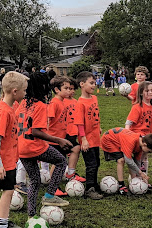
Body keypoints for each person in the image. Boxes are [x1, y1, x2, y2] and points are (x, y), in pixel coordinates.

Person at [16, 72, 71, 219]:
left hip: (21, 148)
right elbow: (35, 131)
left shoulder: (23, 103)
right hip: (34, 147)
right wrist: (58, 140)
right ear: (43, 86)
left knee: (34, 180)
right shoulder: (40, 106)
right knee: (61, 161)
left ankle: (31, 215)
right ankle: (49, 194)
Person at [0, 71, 28, 228]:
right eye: (24, 91)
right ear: (14, 91)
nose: (25, 93)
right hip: (2, 162)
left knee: (9, 191)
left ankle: (5, 222)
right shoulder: (3, 111)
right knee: (8, 192)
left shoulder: (10, 107)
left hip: (9, 160)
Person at [101, 127, 152, 195]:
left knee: (132, 162)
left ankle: (133, 182)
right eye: (149, 151)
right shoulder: (131, 141)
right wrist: (141, 173)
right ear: (145, 145)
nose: (148, 153)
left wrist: (140, 177)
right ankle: (121, 185)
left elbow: (137, 162)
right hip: (109, 140)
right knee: (121, 160)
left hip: (118, 140)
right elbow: (128, 161)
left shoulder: (140, 145)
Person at [74, 71, 103, 200]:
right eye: (91, 83)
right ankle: (89, 188)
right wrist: (83, 139)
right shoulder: (80, 103)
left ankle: (94, 184)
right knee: (91, 164)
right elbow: (79, 123)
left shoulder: (94, 98)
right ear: (82, 84)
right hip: (87, 139)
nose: (94, 85)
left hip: (96, 137)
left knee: (97, 162)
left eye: (94, 83)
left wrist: (99, 126)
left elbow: (95, 115)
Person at [125, 81, 152, 181]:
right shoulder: (137, 107)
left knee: (144, 157)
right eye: (147, 90)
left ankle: (143, 177)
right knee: (138, 158)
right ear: (141, 92)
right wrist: (128, 134)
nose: (150, 92)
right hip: (138, 137)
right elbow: (129, 123)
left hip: (149, 137)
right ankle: (134, 178)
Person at [63, 77, 85, 182]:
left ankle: (70, 173)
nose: (71, 91)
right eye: (68, 89)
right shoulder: (61, 101)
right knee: (72, 150)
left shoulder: (76, 102)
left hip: (73, 132)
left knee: (75, 149)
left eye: (72, 89)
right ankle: (70, 174)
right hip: (64, 132)